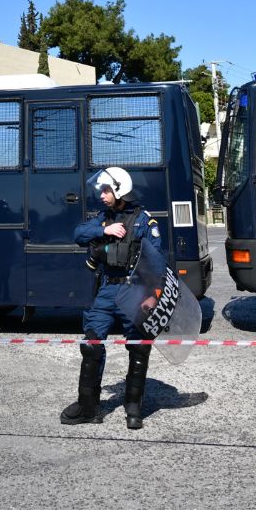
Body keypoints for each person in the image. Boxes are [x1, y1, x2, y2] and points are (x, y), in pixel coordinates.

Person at [61, 167, 164, 430]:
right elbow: (77, 234)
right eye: (102, 190)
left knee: (139, 347)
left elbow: (156, 263)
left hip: (134, 290)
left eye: (106, 190)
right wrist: (105, 230)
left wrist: (153, 297)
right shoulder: (103, 218)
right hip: (107, 290)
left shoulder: (144, 221)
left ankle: (134, 408)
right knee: (92, 343)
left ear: (119, 190)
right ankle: (88, 407)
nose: (102, 194)